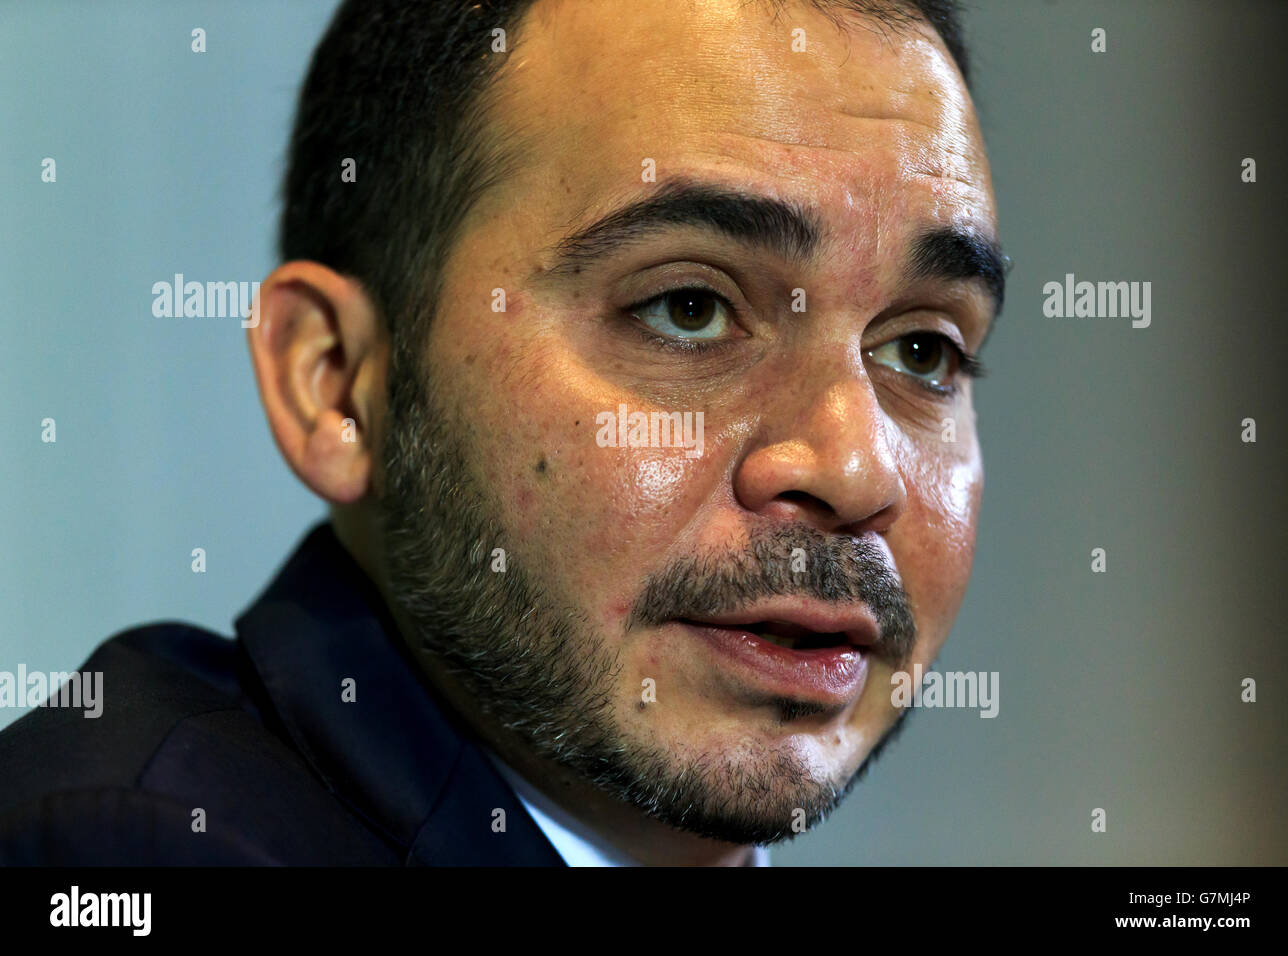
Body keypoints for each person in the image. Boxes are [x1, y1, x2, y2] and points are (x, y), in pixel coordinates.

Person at [0, 0, 1003, 866]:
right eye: (688, 307)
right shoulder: (138, 845)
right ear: (338, 384)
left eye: (922, 350)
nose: (857, 467)